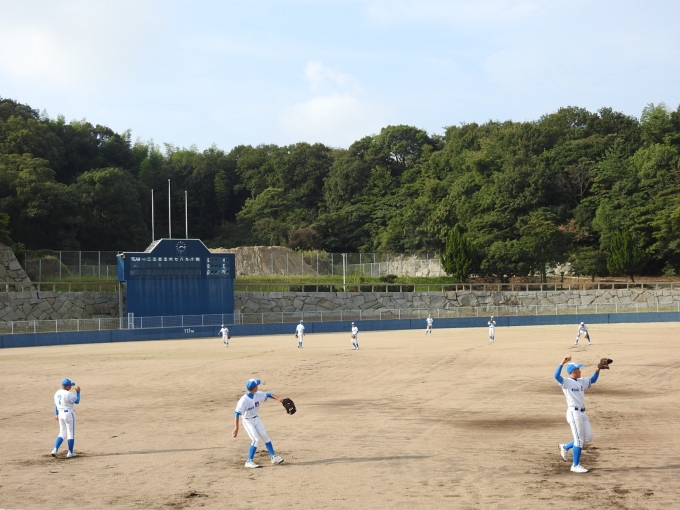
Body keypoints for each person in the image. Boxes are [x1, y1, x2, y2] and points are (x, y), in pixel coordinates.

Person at [554, 356, 604, 473]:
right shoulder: (566, 382)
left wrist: (598, 369)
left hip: (582, 413)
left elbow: (593, 380)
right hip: (573, 413)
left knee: (587, 437)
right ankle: (575, 465)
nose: (580, 371)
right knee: (579, 440)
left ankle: (565, 447)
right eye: (578, 369)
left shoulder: (581, 381)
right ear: (573, 372)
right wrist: (562, 362)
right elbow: (556, 376)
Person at [232, 379, 285, 468]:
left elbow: (269, 394)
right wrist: (236, 428)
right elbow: (236, 413)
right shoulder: (243, 400)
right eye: (257, 385)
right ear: (254, 388)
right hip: (248, 421)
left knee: (265, 436)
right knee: (256, 440)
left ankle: (273, 457)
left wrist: (280, 400)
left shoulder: (257, 394)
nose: (258, 386)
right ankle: (249, 461)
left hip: (256, 419)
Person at [52, 378, 81, 458]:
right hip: (69, 414)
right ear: (68, 386)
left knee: (62, 433)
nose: (71, 387)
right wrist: (78, 392)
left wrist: (56, 414)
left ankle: (55, 449)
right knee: (70, 433)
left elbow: (55, 405)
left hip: (60, 414)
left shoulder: (57, 392)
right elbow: (77, 401)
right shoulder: (68, 394)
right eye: (70, 385)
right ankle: (70, 452)